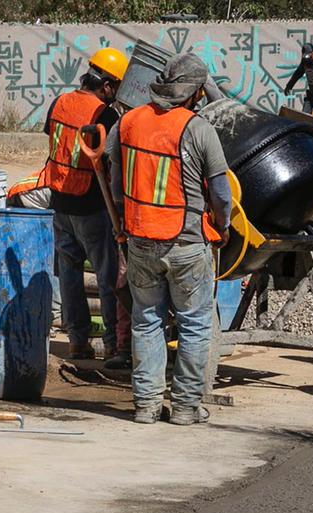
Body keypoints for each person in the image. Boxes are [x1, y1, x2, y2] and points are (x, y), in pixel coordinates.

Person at [106, 54, 232, 426]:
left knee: (146, 321)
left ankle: (146, 406)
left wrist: (126, 222)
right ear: (194, 93)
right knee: (194, 324)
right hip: (186, 242)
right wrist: (222, 226)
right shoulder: (197, 129)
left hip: (140, 240)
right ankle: (185, 407)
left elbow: (116, 185)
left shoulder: (128, 122)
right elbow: (222, 193)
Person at [42, 47, 128, 362]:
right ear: (106, 85)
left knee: (69, 275)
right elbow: (112, 161)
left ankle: (78, 342)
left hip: (60, 202)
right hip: (92, 206)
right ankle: (112, 345)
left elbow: (54, 141)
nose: (116, 94)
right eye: (116, 87)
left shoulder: (59, 103)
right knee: (108, 279)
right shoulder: (104, 114)